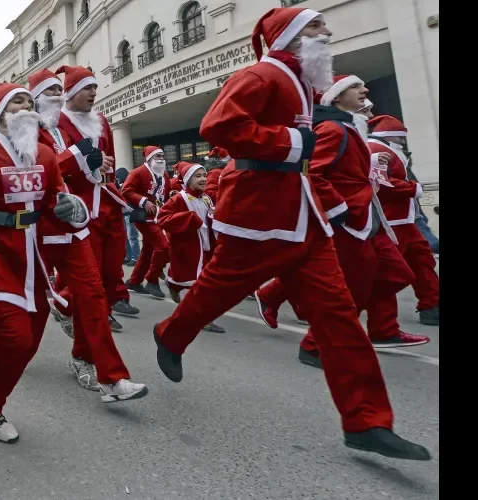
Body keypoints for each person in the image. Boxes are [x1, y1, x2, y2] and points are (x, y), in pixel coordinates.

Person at [151, 6, 430, 460]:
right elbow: (218, 127)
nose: (328, 32)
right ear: (294, 37)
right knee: (218, 289)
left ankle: (366, 422)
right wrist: (291, 144)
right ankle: (170, 334)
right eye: (317, 27)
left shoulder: (303, 85)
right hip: (258, 211)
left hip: (305, 217)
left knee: (339, 316)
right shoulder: (261, 75)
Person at [0, 81, 97, 444]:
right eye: (17, 103)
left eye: (29, 102)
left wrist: (72, 208)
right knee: (12, 333)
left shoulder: (43, 154)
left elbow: (57, 199)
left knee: (24, 346)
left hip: (33, 255)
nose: (26, 107)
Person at [255, 75, 429, 364]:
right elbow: (311, 174)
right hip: (349, 222)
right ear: (336, 97)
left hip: (368, 219)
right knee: (352, 288)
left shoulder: (352, 127)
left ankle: (382, 330)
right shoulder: (334, 129)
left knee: (397, 274)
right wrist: (341, 211)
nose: (366, 90)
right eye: (356, 87)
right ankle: (315, 344)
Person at [29, 68, 148, 399]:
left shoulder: (83, 125)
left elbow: (80, 163)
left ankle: (105, 372)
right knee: (25, 311)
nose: (56, 97)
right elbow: (44, 170)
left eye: (58, 90)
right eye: (50, 92)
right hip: (45, 226)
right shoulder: (31, 129)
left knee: (98, 289)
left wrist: (99, 164)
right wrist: (82, 157)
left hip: (89, 216)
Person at [54, 65, 139, 324]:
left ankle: (104, 303)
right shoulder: (57, 121)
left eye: (94, 87)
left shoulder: (101, 120)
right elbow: (55, 165)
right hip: (80, 202)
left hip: (107, 199)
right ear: (71, 92)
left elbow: (108, 157)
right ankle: (86, 308)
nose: (94, 92)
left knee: (112, 260)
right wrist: (86, 163)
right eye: (87, 88)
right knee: (87, 262)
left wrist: (109, 175)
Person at [367, 115, 440, 327]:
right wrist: (413, 189)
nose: (403, 141)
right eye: (401, 137)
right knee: (389, 274)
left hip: (404, 221)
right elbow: (382, 184)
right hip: (389, 222)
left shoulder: (387, 150)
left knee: (422, 261)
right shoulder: (376, 150)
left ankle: (431, 306)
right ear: (393, 135)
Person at [157, 162, 226, 333]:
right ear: (188, 179)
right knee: (201, 285)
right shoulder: (178, 198)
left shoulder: (206, 198)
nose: (203, 179)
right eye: (198, 176)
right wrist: (188, 219)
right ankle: (202, 319)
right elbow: (163, 218)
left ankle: (174, 284)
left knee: (204, 283)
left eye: (204, 175)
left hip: (206, 247)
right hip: (189, 248)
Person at [122, 146, 172, 299]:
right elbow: (126, 190)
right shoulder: (137, 172)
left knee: (149, 250)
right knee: (163, 247)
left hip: (157, 216)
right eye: (157, 156)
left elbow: (168, 192)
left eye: (162, 156)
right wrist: (144, 202)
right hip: (143, 217)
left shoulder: (164, 174)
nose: (161, 158)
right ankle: (152, 279)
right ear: (149, 158)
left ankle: (134, 281)